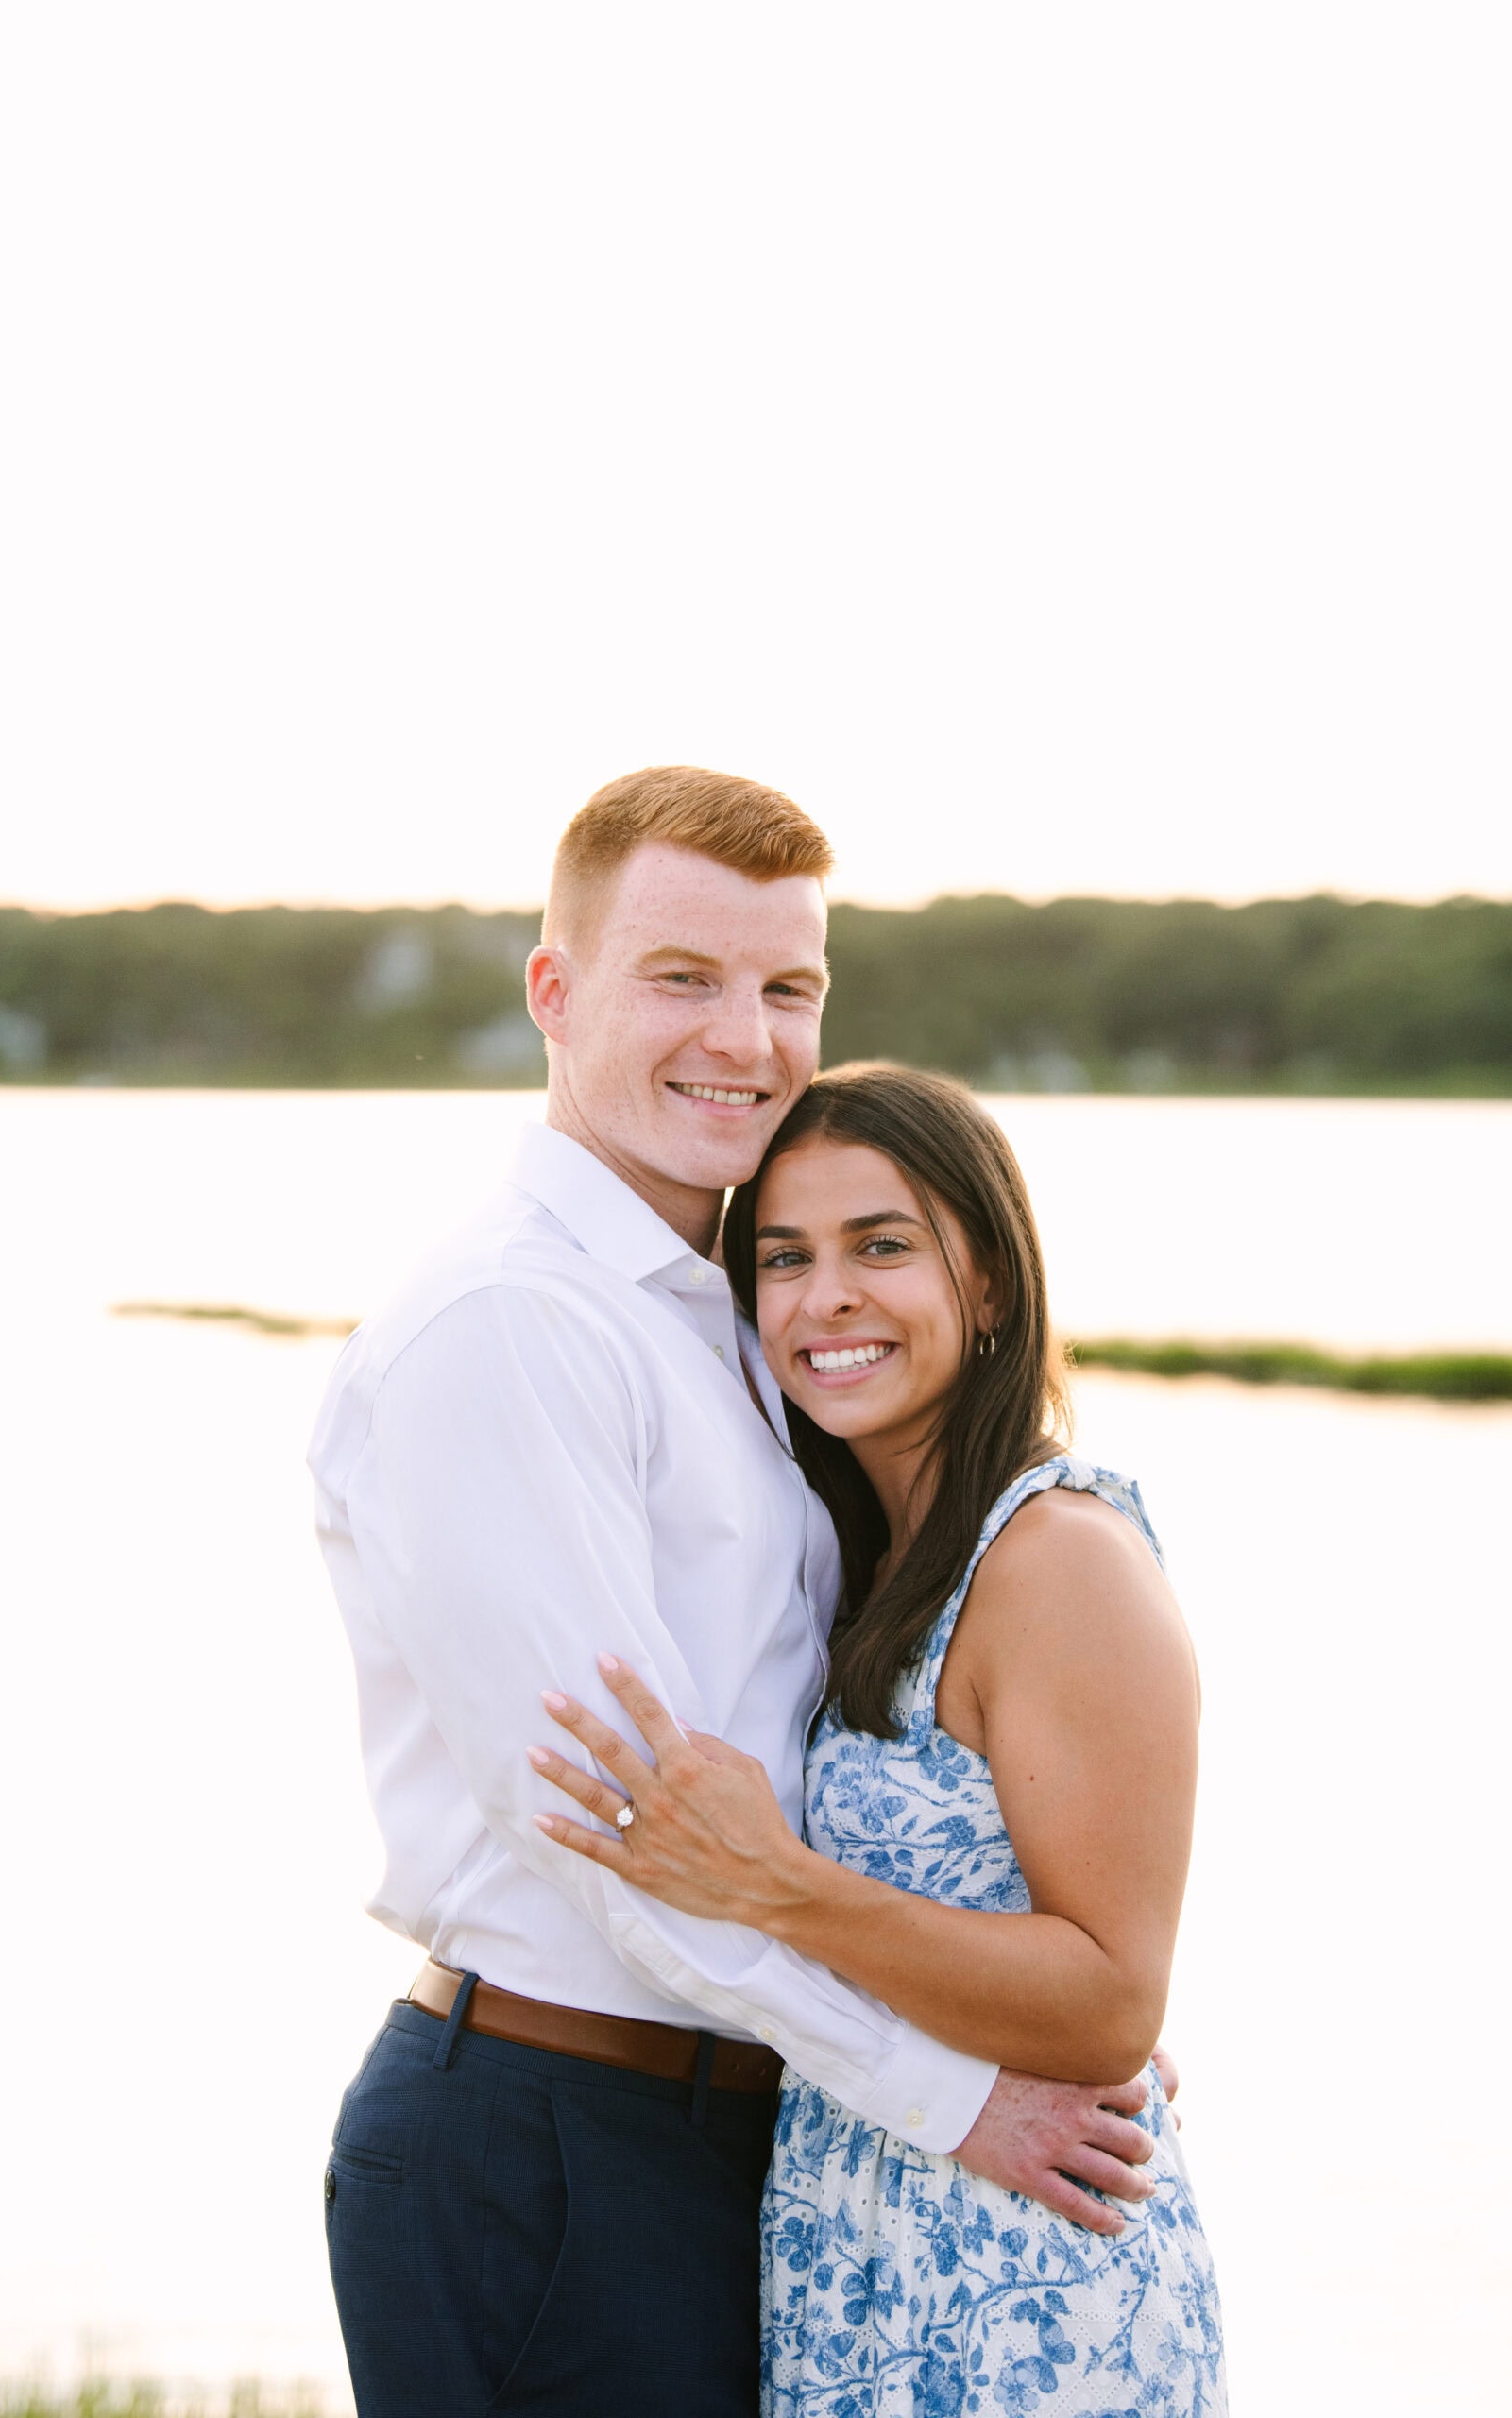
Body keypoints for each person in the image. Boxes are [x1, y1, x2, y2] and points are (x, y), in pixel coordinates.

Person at [308, 768, 1169, 2418]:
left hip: (737, 2125)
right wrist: (955, 2098)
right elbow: (627, 1838)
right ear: (554, 993)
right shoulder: (511, 1327)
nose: (746, 1038)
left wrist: (1008, 2026)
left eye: (788, 990)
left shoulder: (724, 1307)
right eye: (682, 978)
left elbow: (783, 1777)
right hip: (545, 2134)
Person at [532, 1063, 1227, 2415]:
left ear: (993, 1288)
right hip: (862, 2256)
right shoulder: (871, 1562)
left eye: (881, 1245)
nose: (823, 1297)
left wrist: (780, 1886)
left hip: (1023, 2282)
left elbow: (1109, 2006)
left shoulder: (1056, 1559)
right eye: (782, 1258)